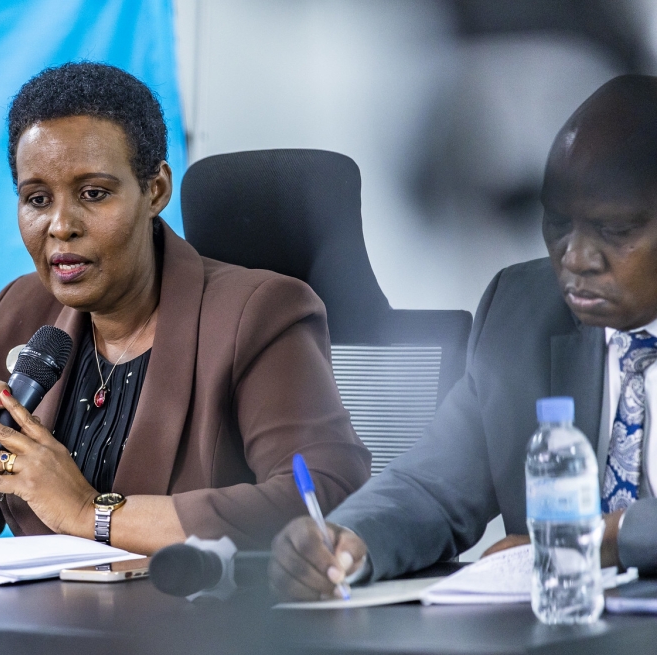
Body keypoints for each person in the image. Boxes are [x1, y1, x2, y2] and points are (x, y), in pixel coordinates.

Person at [0, 62, 370, 553]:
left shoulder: (257, 314)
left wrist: (87, 512)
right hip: (39, 630)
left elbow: (320, 496)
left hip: (198, 632)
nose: (60, 225)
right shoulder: (24, 313)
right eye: (36, 199)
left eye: (94, 193)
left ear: (155, 190)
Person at [271, 75, 657, 600]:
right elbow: (434, 485)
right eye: (557, 222)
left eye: (614, 231)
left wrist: (594, 540)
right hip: (555, 648)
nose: (574, 258)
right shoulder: (522, 310)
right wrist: (348, 538)